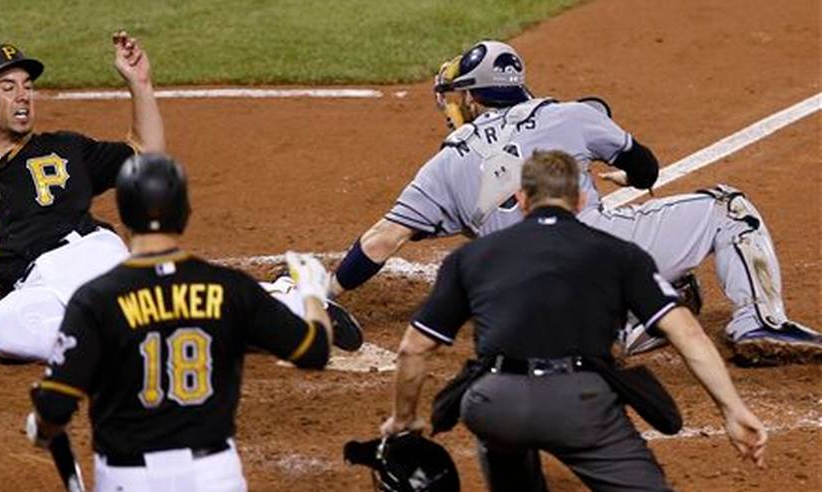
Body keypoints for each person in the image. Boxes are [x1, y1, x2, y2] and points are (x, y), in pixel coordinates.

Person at [380, 150, 766, 492]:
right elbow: (688, 334)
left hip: (495, 401)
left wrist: (404, 419)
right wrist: (732, 409)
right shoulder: (619, 254)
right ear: (581, 198)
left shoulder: (474, 256)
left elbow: (414, 348)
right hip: (580, 405)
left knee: (502, 446)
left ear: (521, 198)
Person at [0, 34, 362, 360]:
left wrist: (139, 85)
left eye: (28, 87)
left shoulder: (63, 148)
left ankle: (290, 299)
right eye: (9, 87)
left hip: (89, 258)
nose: (24, 97)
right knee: (0, 330)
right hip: (33, 288)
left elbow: (146, 151)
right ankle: (117, 341)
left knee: (147, 323)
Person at [332, 39, 821, 364]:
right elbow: (647, 168)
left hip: (521, 310)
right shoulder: (568, 116)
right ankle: (757, 321)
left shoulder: (445, 165)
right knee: (726, 207)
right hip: (596, 254)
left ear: (475, 98)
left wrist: (328, 290)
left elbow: (381, 241)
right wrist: (625, 172)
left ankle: (616, 329)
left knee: (676, 289)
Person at [26, 152, 332, 492]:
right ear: (184, 211)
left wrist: (43, 428)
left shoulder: (96, 300)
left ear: (124, 216)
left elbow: (54, 408)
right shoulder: (230, 288)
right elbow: (314, 351)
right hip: (214, 483)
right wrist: (311, 295)